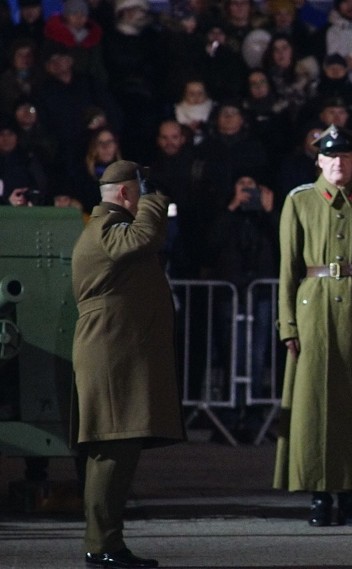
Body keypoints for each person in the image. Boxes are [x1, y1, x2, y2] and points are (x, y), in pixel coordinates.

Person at [273, 124, 352, 526]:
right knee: (315, 405)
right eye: (331, 156)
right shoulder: (301, 201)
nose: (338, 163)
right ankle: (319, 494)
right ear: (319, 161)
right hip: (314, 309)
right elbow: (288, 269)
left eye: (346, 156)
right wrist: (287, 324)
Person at [71, 160, 185, 568]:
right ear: (125, 194)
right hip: (109, 355)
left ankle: (108, 543)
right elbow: (144, 237)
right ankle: (101, 546)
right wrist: (155, 199)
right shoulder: (107, 229)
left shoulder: (109, 228)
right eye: (138, 193)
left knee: (119, 449)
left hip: (116, 354)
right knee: (111, 451)